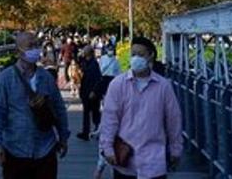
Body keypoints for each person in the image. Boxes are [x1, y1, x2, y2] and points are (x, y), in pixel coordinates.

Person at [98, 36, 182, 179]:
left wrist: (176, 149)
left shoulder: (163, 86)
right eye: (133, 54)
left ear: (151, 56)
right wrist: (107, 148)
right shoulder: (118, 85)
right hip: (125, 161)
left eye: (141, 55)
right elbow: (109, 120)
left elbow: (173, 120)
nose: (136, 58)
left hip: (154, 163)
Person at [0, 31, 70, 179]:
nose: (35, 49)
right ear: (18, 51)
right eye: (30, 46)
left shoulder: (46, 77)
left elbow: (59, 108)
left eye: (36, 45)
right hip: (15, 149)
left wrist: (63, 137)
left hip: (45, 149)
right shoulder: (6, 78)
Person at [75, 45, 103, 140]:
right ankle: (85, 132)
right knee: (86, 113)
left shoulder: (94, 64)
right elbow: (78, 62)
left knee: (95, 113)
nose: (83, 51)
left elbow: (98, 79)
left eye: (85, 50)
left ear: (90, 52)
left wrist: (94, 91)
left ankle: (99, 130)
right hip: (85, 91)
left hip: (92, 93)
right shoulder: (86, 62)